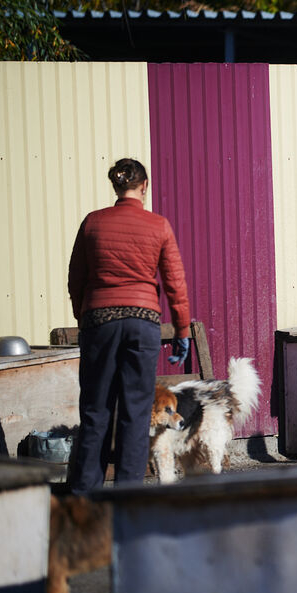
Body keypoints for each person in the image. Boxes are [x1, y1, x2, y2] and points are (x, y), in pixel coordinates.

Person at [67, 158, 191, 494]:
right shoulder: (159, 225)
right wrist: (181, 330)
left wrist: (86, 318)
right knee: (136, 413)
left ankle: (85, 499)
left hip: (99, 323)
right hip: (142, 323)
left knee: (96, 409)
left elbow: (76, 278)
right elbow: (175, 283)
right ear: (144, 186)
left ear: (116, 186)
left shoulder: (93, 223)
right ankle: (128, 498)